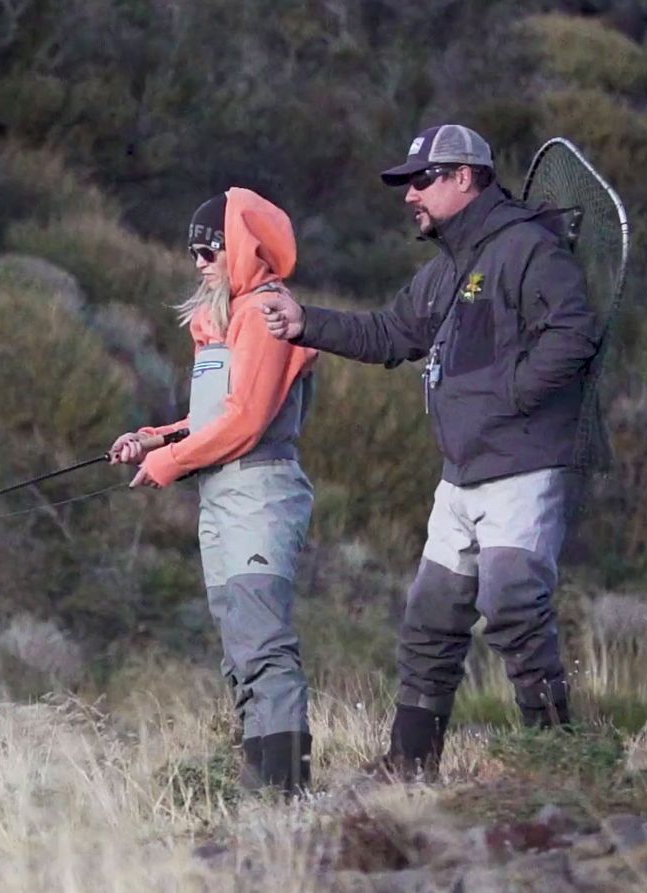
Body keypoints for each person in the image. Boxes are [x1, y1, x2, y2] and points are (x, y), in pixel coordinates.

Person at [257, 124, 599, 779]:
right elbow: (391, 334)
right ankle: (410, 764)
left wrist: (510, 395)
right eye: (405, 183)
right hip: (462, 474)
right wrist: (307, 323)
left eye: (422, 180)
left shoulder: (529, 249)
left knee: (515, 608)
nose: (408, 194)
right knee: (429, 623)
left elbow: (572, 334)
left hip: (524, 466)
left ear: (465, 177)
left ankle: (564, 764)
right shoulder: (445, 270)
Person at [109, 188, 320, 796]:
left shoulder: (266, 314)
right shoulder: (220, 323)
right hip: (220, 497)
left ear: (246, 248)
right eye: (193, 249)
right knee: (238, 647)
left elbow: (248, 420)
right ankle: (263, 787)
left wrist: (171, 462)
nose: (200, 259)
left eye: (211, 247)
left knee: (263, 642)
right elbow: (212, 417)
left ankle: (285, 792)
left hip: (261, 493)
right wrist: (153, 439)